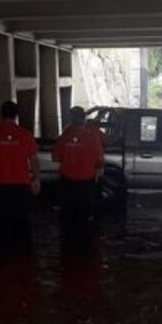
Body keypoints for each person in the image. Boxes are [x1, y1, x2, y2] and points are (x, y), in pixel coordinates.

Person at [0, 101, 40, 254]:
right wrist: (36, 178)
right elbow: (34, 159)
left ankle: (4, 256)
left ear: (1, 115)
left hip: (0, 185)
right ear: (16, 115)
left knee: (2, 220)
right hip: (21, 185)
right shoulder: (25, 134)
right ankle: (23, 257)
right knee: (21, 220)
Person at [53, 106, 105, 249]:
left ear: (71, 120)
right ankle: (84, 247)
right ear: (83, 119)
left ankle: (69, 248)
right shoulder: (92, 136)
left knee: (68, 216)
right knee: (85, 216)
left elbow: (56, 157)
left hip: (67, 182)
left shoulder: (64, 137)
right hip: (86, 183)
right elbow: (100, 159)